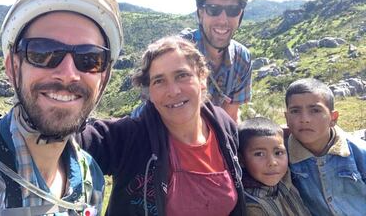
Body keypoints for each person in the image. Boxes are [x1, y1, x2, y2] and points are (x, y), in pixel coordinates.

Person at [0, 0, 123, 215]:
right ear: (12, 67)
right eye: (43, 52)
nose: (68, 74)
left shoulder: (90, 180)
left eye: (90, 59)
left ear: (104, 79)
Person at [79, 36, 246, 216]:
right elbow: (72, 140)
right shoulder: (131, 137)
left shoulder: (223, 126)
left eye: (182, 75)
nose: (173, 91)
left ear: (202, 78)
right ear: (149, 92)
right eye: (159, 81)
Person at [284, 78, 366, 216]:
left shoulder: (359, 152)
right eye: (295, 111)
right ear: (286, 118)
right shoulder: (281, 157)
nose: (304, 119)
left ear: (333, 118)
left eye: (315, 110)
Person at [180, 0, 252, 123]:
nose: (223, 20)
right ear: (200, 14)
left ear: (241, 16)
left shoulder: (241, 58)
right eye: (213, 9)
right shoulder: (178, 52)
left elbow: (229, 117)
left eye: (233, 10)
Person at [238, 117, 310, 216]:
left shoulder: (284, 180)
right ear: (241, 160)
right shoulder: (252, 206)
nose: (272, 162)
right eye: (259, 154)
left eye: (278, 152)